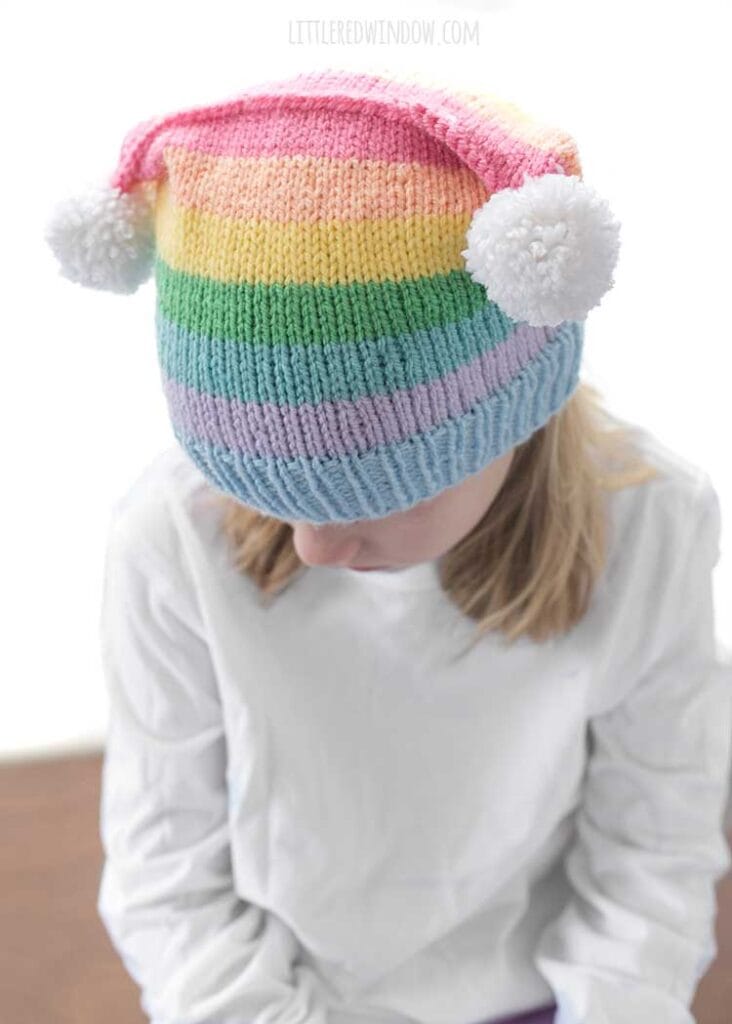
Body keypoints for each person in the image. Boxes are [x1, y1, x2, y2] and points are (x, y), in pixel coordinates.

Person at [44, 67, 732, 1024]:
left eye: (376, 493)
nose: (317, 548)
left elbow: (655, 836)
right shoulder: (171, 535)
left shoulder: (653, 520)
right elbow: (167, 870)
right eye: (271, 494)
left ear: (508, 414)